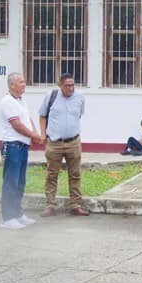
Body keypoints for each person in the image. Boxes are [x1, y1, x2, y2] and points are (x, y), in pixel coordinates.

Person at [38, 73, 89, 217]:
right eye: (67, 85)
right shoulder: (51, 96)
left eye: (73, 85)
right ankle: (50, 205)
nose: (71, 88)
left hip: (73, 142)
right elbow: (42, 115)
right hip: (54, 143)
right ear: (60, 85)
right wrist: (43, 134)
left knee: (75, 174)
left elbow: (79, 115)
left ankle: (76, 205)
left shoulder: (80, 98)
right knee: (52, 174)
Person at [0, 72, 42, 230]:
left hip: (23, 146)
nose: (24, 84)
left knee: (20, 182)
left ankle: (17, 213)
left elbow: (27, 120)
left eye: (24, 81)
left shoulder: (21, 100)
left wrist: (35, 135)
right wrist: (33, 135)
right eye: (21, 82)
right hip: (12, 146)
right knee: (11, 182)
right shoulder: (7, 101)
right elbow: (16, 124)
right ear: (12, 85)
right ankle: (8, 218)